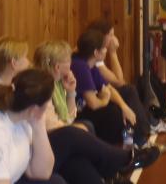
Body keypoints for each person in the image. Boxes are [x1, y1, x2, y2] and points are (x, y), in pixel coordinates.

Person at [34, 41, 159, 184]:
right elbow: (52, 126)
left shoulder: (57, 84)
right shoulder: (42, 88)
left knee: (77, 161)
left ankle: (111, 175)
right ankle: (123, 159)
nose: (71, 64)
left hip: (53, 139)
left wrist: (71, 92)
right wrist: (73, 128)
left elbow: (68, 118)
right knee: (82, 129)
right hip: (42, 145)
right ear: (57, 67)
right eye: (68, 61)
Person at [87, 19, 166, 140]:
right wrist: (113, 52)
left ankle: (148, 125)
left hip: (102, 93)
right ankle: (146, 128)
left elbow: (119, 83)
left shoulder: (97, 53)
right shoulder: (92, 54)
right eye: (111, 35)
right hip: (94, 100)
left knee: (129, 90)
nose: (114, 38)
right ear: (101, 36)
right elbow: (119, 81)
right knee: (128, 91)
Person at [70, 30, 135, 145]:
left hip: (85, 108)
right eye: (104, 48)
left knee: (123, 100)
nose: (106, 50)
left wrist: (124, 107)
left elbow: (109, 88)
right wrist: (105, 99)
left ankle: (134, 142)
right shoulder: (80, 66)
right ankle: (116, 149)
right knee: (112, 113)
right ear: (96, 52)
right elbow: (94, 104)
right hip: (76, 113)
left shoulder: (90, 64)